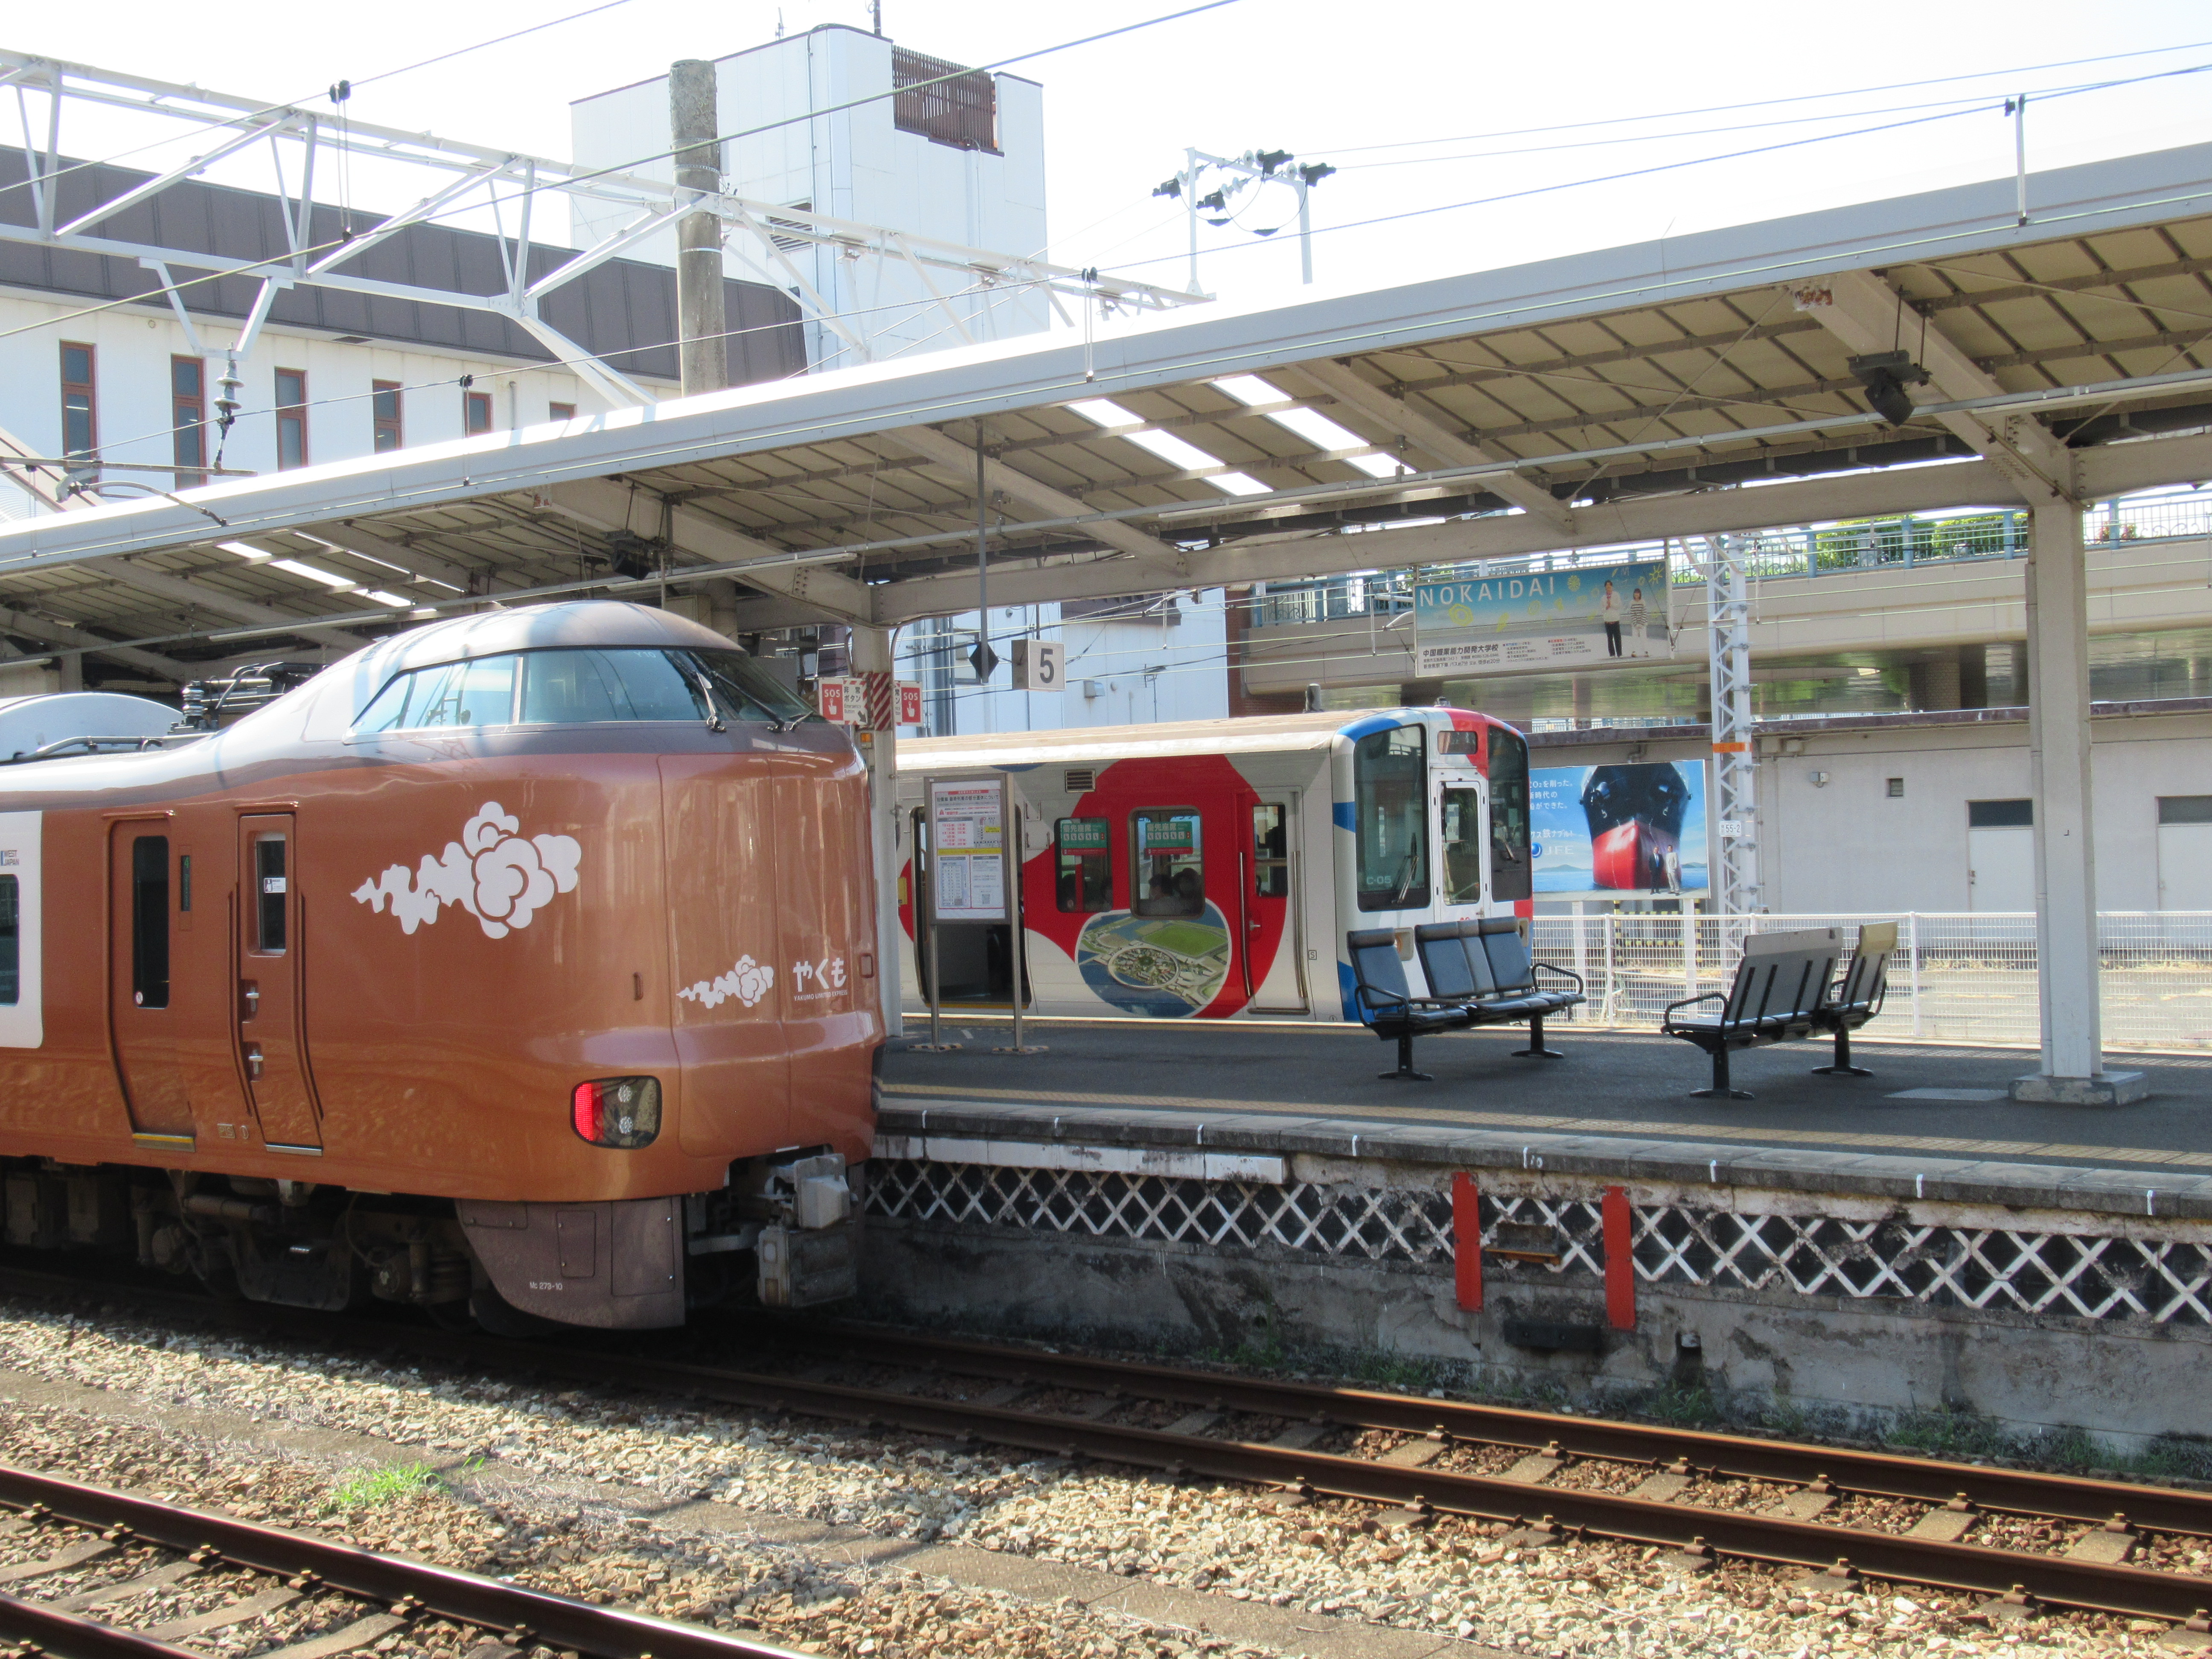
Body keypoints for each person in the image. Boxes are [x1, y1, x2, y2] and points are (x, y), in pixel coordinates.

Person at [1600, 580, 1622, 658]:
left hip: (1615, 620)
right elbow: (1602, 610)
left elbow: (1619, 606)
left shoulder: (1616, 595)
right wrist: (1607, 607)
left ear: (1612, 586)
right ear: (1605, 587)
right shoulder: (1603, 598)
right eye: (1607, 585)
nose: (1608, 587)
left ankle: (1619, 654)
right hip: (1608, 621)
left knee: (1618, 638)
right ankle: (1612, 654)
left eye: (1610, 585)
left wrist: (1611, 604)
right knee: (1610, 638)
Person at [1627, 586, 1649, 657]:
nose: (1636, 595)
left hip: (1643, 624)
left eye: (1638, 593)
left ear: (1640, 594)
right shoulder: (1632, 603)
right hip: (1635, 625)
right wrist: (1636, 624)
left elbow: (1644, 613)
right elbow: (1632, 614)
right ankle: (1634, 652)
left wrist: (1641, 623)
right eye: (1635, 594)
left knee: (1644, 638)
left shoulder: (1643, 602)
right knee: (1635, 638)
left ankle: (1646, 652)